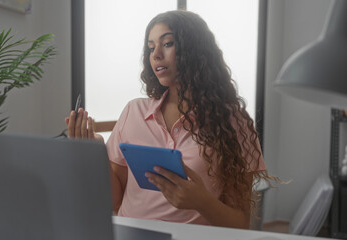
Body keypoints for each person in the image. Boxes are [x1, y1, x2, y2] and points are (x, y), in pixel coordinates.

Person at [65, 10, 270, 229]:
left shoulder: (233, 122)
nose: (156, 55)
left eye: (168, 43)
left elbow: (240, 223)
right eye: (151, 47)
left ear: (195, 51)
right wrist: (93, 153)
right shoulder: (133, 112)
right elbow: (115, 201)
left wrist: (202, 202)